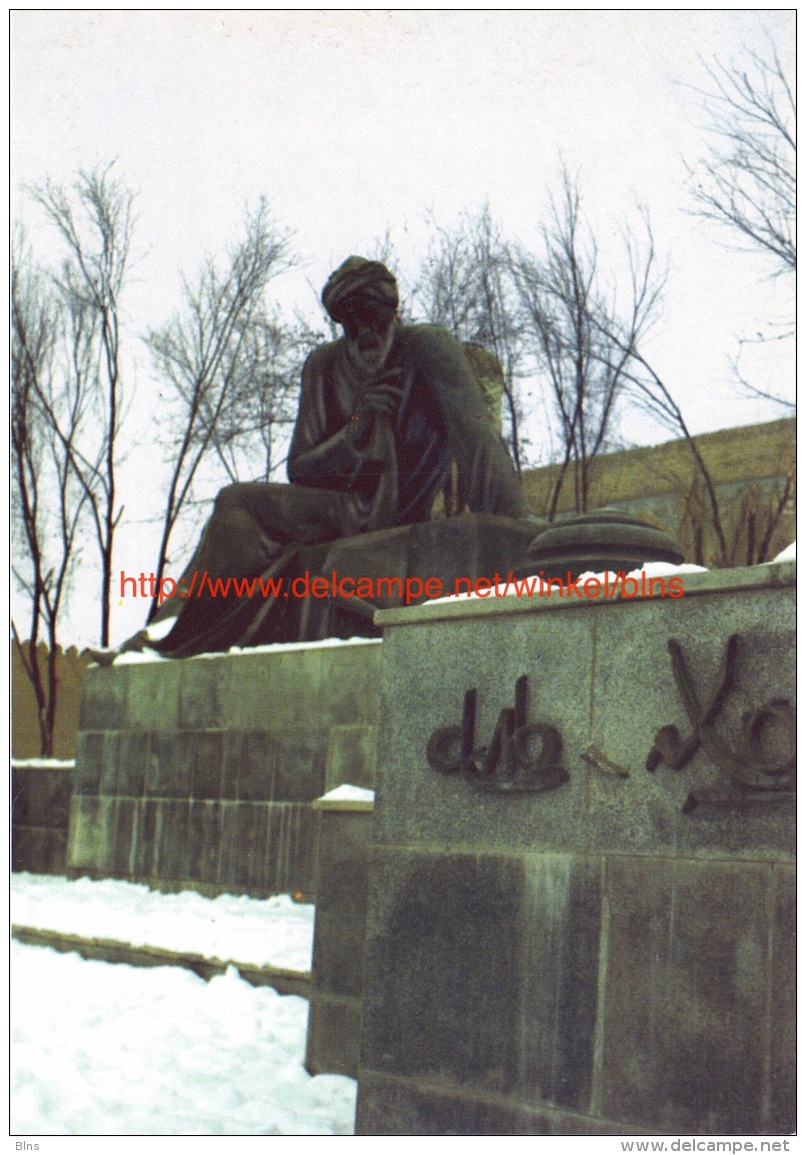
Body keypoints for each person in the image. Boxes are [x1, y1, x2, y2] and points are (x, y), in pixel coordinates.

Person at [100, 256, 535, 661]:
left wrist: (518, 524)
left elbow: (476, 438)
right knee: (235, 506)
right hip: (337, 511)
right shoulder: (323, 366)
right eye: (352, 322)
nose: (365, 332)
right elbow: (300, 468)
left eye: (374, 317)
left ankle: (172, 631)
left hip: (391, 512)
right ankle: (172, 629)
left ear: (393, 312)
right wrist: (355, 432)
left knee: (237, 501)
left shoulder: (426, 347)